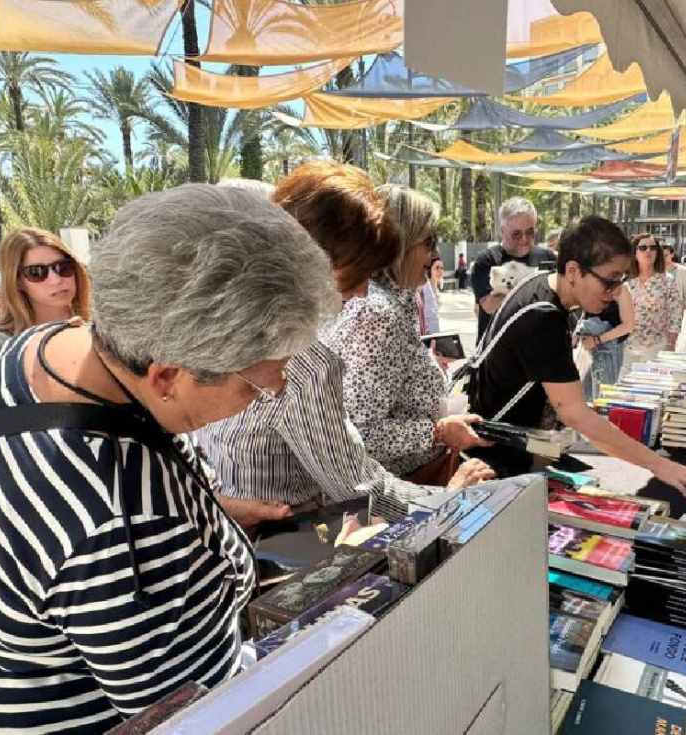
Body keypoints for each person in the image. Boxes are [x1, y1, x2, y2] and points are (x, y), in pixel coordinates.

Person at [0, 184, 340, 732]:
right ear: (167, 374)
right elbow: (203, 716)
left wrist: (217, 508)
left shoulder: (42, 346)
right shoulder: (128, 522)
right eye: (257, 384)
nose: (274, 390)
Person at [199, 163, 493, 527]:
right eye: (355, 275)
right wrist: (451, 495)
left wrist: (215, 503)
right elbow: (360, 488)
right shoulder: (304, 365)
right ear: (311, 261)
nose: (361, 292)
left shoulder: (217, 325)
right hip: (283, 543)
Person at [467, 215, 686, 501]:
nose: (617, 292)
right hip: (498, 456)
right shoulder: (542, 315)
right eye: (610, 281)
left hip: (516, 445)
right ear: (573, 270)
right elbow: (574, 413)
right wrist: (660, 465)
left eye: (621, 281)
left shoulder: (543, 285)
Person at [321, 183, 491, 484]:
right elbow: (357, 432)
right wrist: (438, 432)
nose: (436, 254)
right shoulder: (376, 312)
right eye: (429, 241)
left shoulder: (392, 302)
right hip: (397, 493)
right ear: (400, 243)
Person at [0, 227, 92, 373]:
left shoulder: (99, 327)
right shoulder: (0, 344)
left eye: (63, 267)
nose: (56, 280)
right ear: (17, 281)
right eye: (36, 272)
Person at [471, 198, 556, 340]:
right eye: (516, 234)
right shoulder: (486, 261)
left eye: (530, 232)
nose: (524, 239)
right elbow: (492, 306)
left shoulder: (547, 257)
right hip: (499, 353)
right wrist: (537, 292)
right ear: (502, 231)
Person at [624, 233, 684, 364]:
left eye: (653, 248)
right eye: (643, 248)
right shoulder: (627, 282)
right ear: (635, 253)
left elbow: (676, 315)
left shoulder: (667, 281)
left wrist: (670, 345)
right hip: (627, 348)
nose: (648, 251)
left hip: (656, 348)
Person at [577, 278, 635, 401]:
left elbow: (628, 326)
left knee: (603, 400)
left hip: (608, 352)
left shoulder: (621, 288)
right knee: (585, 399)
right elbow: (586, 315)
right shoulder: (590, 283)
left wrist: (597, 340)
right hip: (588, 351)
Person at [417, 256, 445, 335]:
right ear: (430, 270)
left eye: (442, 268)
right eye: (436, 268)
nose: (440, 271)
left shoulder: (437, 287)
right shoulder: (424, 287)